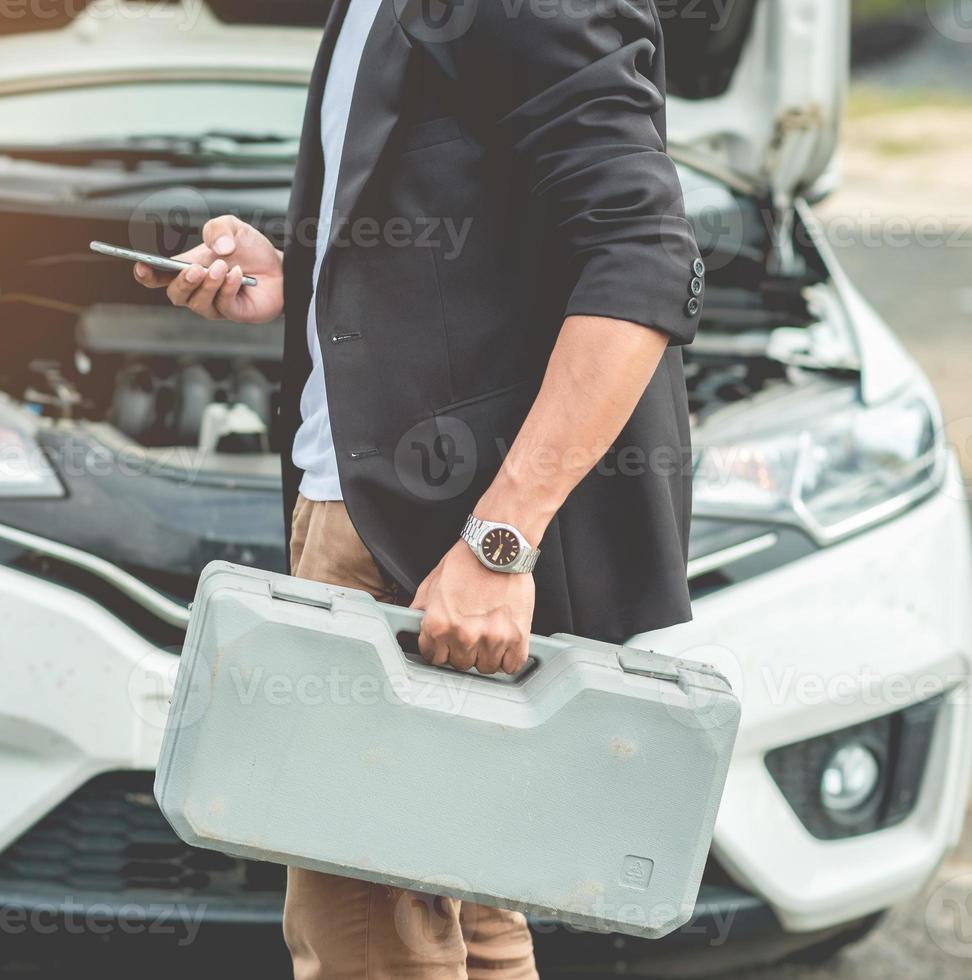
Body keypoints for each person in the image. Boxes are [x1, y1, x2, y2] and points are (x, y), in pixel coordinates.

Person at [137, 1, 702, 977]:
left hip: (421, 545)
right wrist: (303, 274)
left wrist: (499, 544)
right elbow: (478, 226)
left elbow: (640, 258)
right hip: (381, 514)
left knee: (361, 946)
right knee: (471, 926)